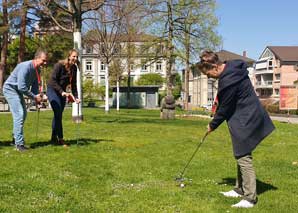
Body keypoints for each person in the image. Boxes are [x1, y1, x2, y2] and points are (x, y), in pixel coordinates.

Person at [197, 50, 275, 208]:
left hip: (247, 118)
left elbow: (225, 108)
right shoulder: (233, 68)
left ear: (215, 66)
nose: (209, 76)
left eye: (208, 73)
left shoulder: (229, 80)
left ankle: (250, 198)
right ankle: (239, 189)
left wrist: (212, 125)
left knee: (243, 157)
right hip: (245, 115)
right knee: (240, 153)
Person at [3, 50, 48, 152]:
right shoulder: (25, 67)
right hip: (10, 89)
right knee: (19, 114)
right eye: (43, 60)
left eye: (46, 61)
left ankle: (15, 138)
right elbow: (22, 87)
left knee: (23, 114)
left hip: (17, 90)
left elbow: (35, 87)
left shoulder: (37, 70)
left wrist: (37, 100)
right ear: (37, 58)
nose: (45, 63)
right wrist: (35, 97)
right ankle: (19, 144)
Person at [47, 49, 80, 146]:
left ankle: (53, 138)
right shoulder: (59, 65)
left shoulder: (74, 68)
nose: (75, 58)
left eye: (77, 57)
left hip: (63, 92)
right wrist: (62, 92)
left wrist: (76, 97)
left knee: (58, 115)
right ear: (69, 56)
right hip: (52, 90)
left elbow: (73, 84)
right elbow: (52, 80)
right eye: (74, 56)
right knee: (58, 113)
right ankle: (60, 138)